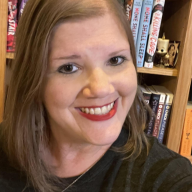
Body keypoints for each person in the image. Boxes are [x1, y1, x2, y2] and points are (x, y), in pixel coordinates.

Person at [0, 0, 192, 192]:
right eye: (69, 68)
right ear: (33, 81)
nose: (101, 89)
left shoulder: (169, 177)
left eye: (115, 60)